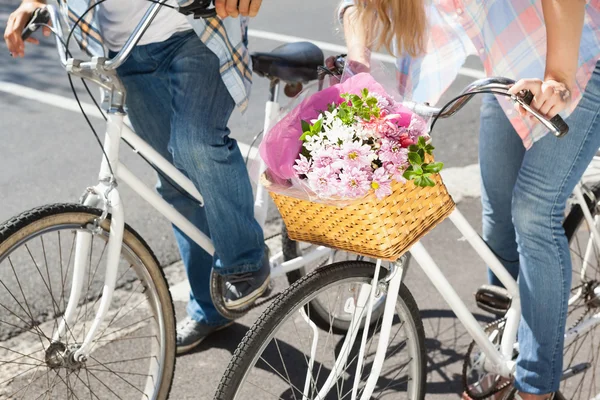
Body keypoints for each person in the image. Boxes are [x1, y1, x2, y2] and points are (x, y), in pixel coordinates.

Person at [338, 0, 600, 399]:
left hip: (580, 54)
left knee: (532, 211)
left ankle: (535, 385)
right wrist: (357, 71)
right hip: (512, 63)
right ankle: (504, 344)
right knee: (497, 214)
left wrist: (557, 75)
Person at [4, 0, 269, 355]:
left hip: (192, 30)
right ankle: (209, 309)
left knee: (195, 145)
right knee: (175, 183)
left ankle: (246, 261)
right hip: (125, 49)